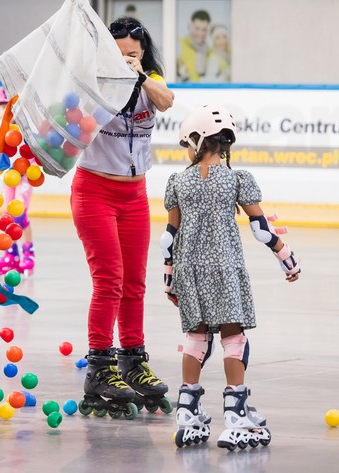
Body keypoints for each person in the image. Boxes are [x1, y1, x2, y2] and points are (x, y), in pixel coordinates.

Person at [167, 105, 299, 449]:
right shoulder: (237, 179)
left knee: (195, 336)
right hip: (225, 266)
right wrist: (287, 258)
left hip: (187, 267)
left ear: (197, 141)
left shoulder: (178, 181)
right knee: (233, 335)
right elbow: (261, 228)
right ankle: (235, 412)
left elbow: (170, 234)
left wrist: (169, 276)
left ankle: (187, 411)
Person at [72, 17, 174, 419]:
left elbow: (166, 100)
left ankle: (133, 361)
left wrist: (138, 77)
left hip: (134, 195)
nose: (126, 59)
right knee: (109, 280)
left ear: (142, 53)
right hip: (94, 191)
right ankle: (100, 366)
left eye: (132, 53)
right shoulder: (92, 85)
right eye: (118, 54)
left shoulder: (150, 84)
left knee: (134, 282)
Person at [0, 88, 36, 277]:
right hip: (9, 177)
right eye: (1, 107)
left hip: (25, 177)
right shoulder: (2, 130)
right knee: (7, 217)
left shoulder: (25, 128)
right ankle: (11, 253)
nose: (4, 111)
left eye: (7, 106)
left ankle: (28, 252)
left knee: (20, 216)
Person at [178, 10, 212, 83]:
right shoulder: (179, 45)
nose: (200, 33)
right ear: (190, 26)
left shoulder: (210, 52)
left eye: (204, 30)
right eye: (197, 28)